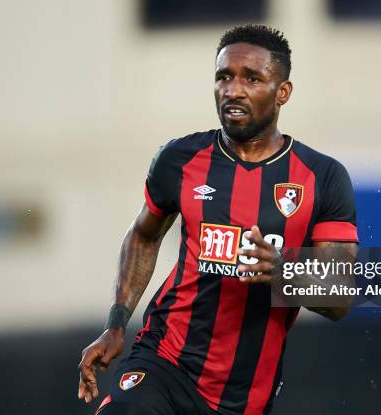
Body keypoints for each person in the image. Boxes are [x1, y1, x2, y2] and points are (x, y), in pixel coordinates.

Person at [78, 24, 359, 415]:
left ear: (283, 92)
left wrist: (282, 272)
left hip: (242, 398)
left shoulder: (322, 178)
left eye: (252, 78)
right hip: (163, 360)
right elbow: (143, 236)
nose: (233, 90)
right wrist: (116, 322)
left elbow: (341, 295)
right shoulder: (180, 159)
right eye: (224, 76)